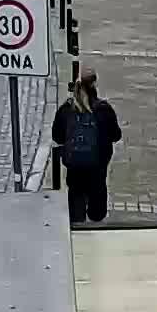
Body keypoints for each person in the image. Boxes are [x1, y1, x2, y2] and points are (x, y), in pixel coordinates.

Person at [52, 68, 122, 224]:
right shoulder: (104, 110)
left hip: (75, 168)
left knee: (76, 198)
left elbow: (56, 136)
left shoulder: (66, 109)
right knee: (97, 203)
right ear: (95, 84)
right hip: (97, 168)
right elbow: (116, 135)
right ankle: (95, 223)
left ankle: (78, 228)